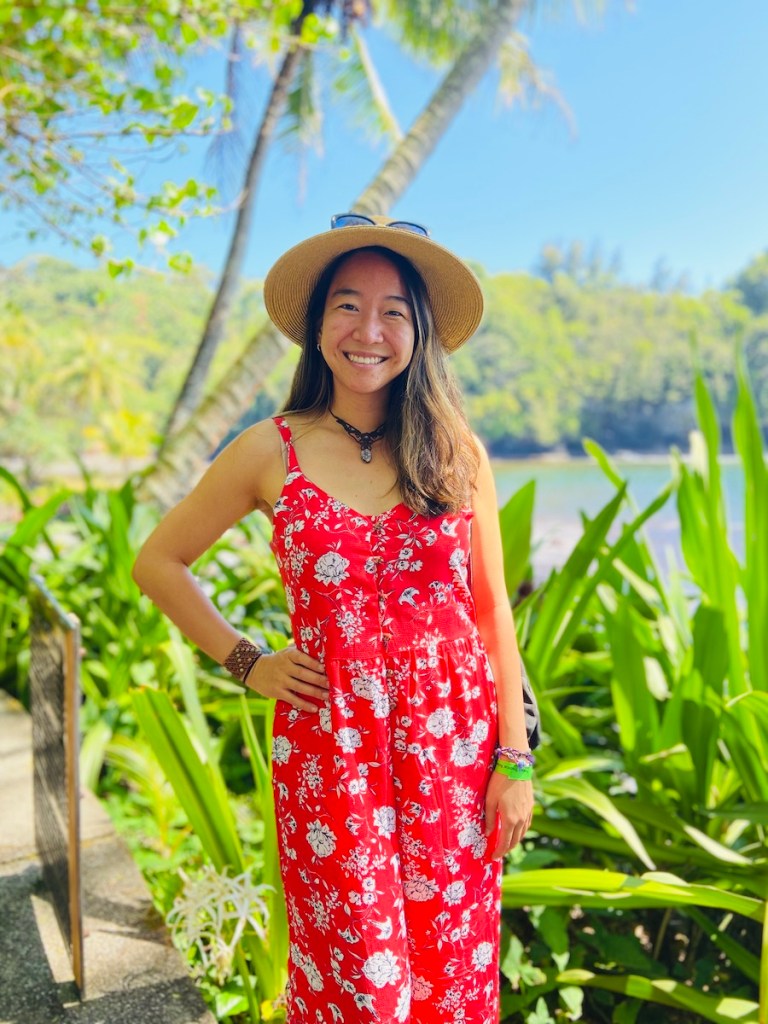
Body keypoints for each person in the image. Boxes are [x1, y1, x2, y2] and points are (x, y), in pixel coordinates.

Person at [132, 212, 534, 1024]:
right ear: (317, 328)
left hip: (452, 755)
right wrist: (249, 661)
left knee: (450, 980)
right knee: (362, 985)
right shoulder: (268, 449)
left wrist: (515, 759)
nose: (369, 330)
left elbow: (492, 614)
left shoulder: (459, 451)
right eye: (347, 306)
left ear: (420, 332)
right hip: (331, 749)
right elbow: (158, 563)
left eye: (394, 311)